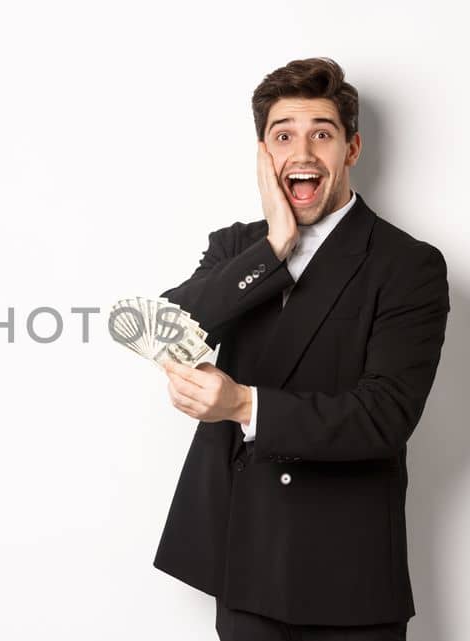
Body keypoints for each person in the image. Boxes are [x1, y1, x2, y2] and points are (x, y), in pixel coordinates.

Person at [151, 57, 450, 640]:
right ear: (264, 154)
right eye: (283, 136)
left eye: (322, 133)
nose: (304, 152)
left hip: (349, 570)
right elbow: (163, 329)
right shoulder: (240, 247)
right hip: (248, 556)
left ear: (352, 149)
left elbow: (384, 417)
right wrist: (274, 246)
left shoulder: (407, 265)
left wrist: (242, 406)